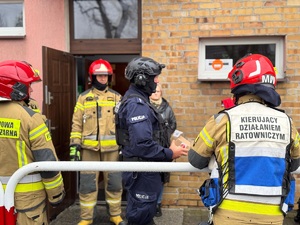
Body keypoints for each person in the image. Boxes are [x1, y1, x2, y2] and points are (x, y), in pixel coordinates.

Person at [188, 53, 300, 225]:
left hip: (228, 216)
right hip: (273, 217)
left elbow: (196, 160)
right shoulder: (287, 123)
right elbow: (293, 164)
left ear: (238, 84)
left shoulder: (222, 119)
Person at [115, 56, 188, 225]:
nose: (157, 81)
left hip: (144, 171)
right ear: (142, 79)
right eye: (154, 77)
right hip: (142, 172)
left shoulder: (139, 101)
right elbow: (142, 145)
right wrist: (170, 153)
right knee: (140, 217)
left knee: (144, 216)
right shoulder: (137, 105)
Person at [0, 60, 65, 225]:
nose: (32, 89)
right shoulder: (30, 118)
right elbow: (46, 162)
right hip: (27, 202)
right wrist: (56, 195)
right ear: (16, 87)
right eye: (28, 85)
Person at [69, 59, 126, 225]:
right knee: (87, 185)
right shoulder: (83, 98)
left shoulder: (117, 97)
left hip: (112, 150)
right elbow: (76, 123)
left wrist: (124, 147)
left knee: (114, 184)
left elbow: (123, 125)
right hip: (89, 149)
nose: (103, 79)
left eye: (105, 76)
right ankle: (86, 218)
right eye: (99, 76)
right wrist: (74, 146)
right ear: (92, 77)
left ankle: (115, 215)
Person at [149, 83, 177, 217]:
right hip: (149, 147)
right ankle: (149, 204)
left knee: (161, 178)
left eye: (158, 91)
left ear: (161, 93)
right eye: (154, 91)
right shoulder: (145, 106)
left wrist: (164, 133)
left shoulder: (167, 108)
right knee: (148, 176)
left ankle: (158, 204)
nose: (156, 93)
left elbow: (173, 124)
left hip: (163, 146)